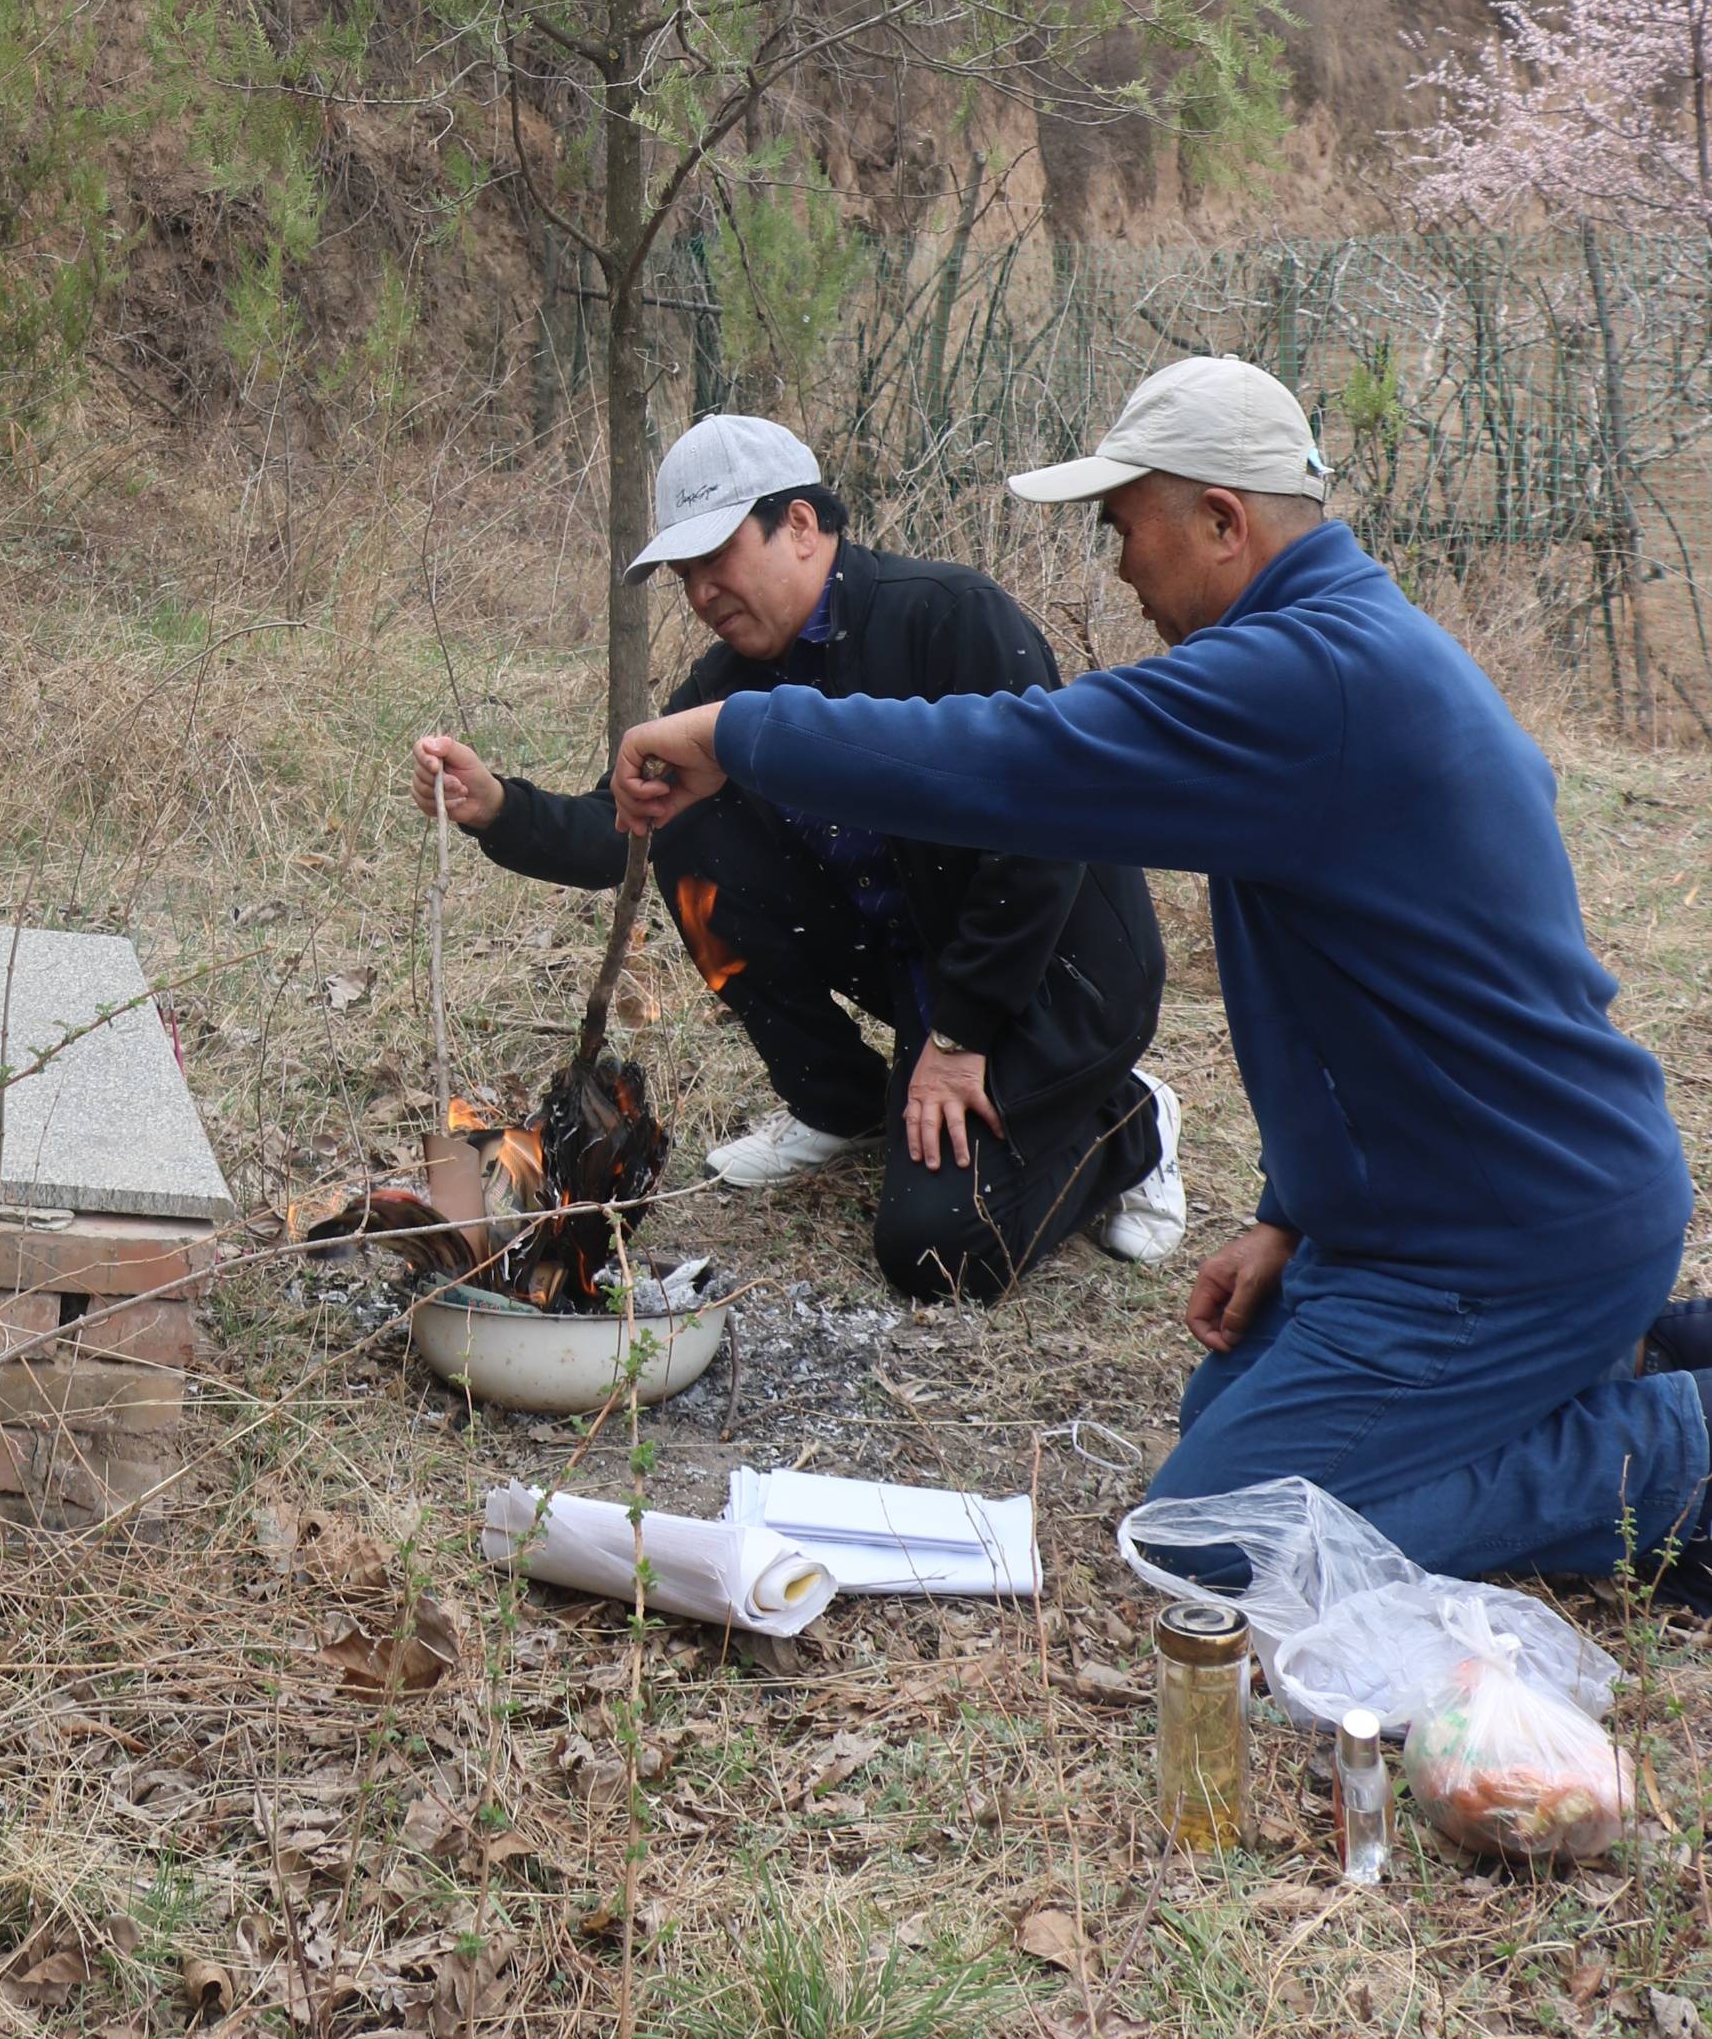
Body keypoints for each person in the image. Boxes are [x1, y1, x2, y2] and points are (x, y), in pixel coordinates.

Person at [610, 354, 1710, 1597]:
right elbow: (1371, 994)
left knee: (1214, 1536)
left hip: (1506, 1232)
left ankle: (1681, 1445)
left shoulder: (1305, 679)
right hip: (1435, 1216)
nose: (1121, 566)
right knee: (1227, 1403)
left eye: (1127, 527)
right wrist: (1297, 1213)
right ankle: (1614, 1353)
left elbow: (1019, 759)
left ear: (1222, 521)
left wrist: (737, 732)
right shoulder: (1350, 652)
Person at [411, 410, 1181, 1304]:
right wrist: (494, 806)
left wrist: (958, 1040)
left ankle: (1129, 1122)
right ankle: (844, 1106)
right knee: (690, 833)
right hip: (922, 973)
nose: (700, 591)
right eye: (684, 574)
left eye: (717, 560)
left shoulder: (946, 619)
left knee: (936, 1254)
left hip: (1057, 978)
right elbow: (623, 826)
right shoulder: (724, 685)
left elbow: (1043, 833)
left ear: (802, 526)